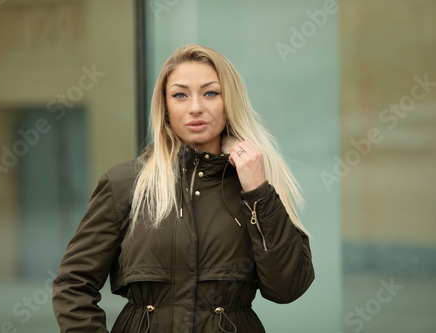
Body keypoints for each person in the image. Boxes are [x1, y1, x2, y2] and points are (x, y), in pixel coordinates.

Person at [52, 44, 314, 333]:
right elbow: (73, 284)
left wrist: (258, 193)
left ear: (231, 102)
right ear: (165, 107)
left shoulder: (258, 183)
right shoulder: (125, 184)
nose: (195, 107)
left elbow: (288, 288)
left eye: (211, 93)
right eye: (180, 95)